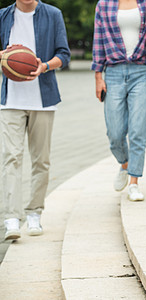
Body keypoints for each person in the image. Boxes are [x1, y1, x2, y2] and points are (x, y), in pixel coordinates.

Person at [0, 0, 70, 240]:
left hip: (43, 100)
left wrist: (45, 66)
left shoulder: (53, 14)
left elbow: (64, 54)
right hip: (11, 102)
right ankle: (10, 219)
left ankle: (34, 214)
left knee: (41, 161)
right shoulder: (3, 16)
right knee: (11, 158)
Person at [92, 0, 146, 201]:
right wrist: (98, 77)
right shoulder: (104, 4)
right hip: (113, 72)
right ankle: (124, 164)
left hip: (142, 71)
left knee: (138, 131)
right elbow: (98, 41)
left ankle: (134, 182)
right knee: (114, 133)